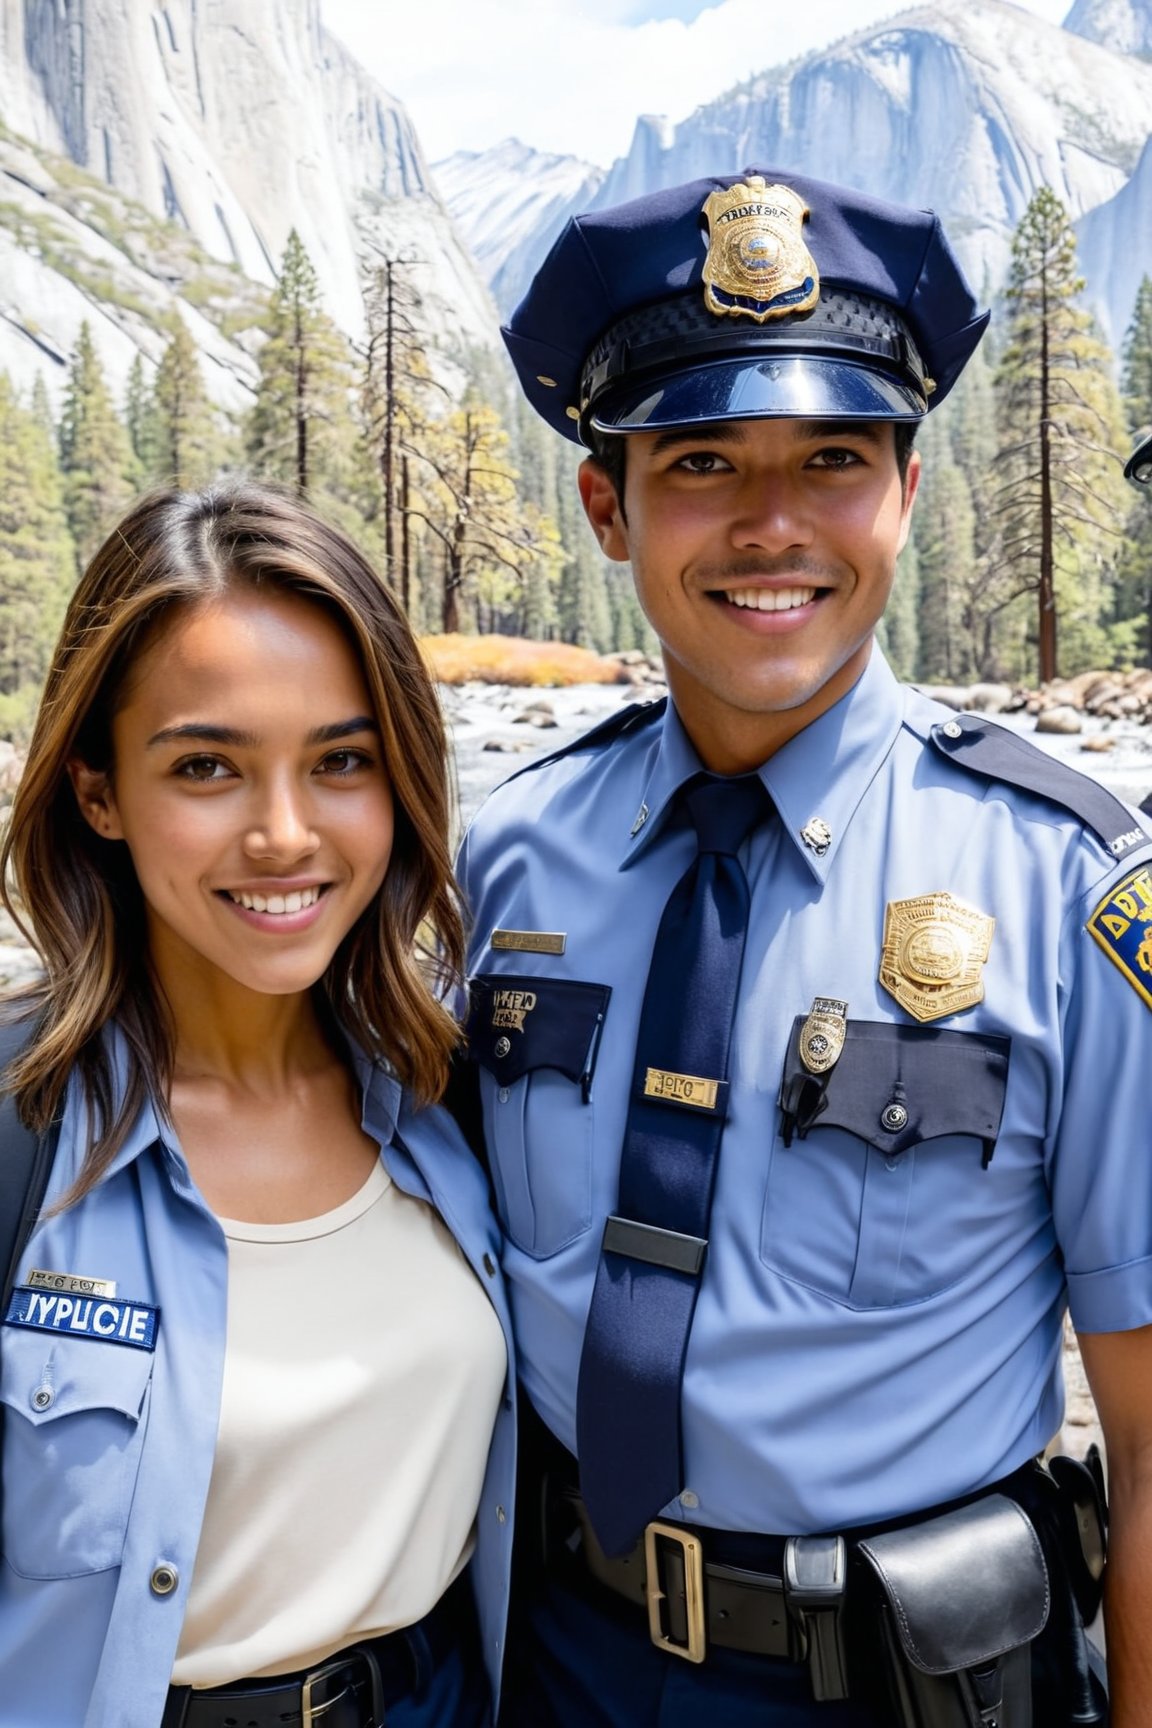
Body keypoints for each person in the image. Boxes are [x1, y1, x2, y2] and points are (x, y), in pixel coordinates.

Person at [456, 169, 1152, 1726]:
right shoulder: (509, 857)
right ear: (606, 505)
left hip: (917, 1686)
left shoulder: (1072, 886)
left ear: (904, 490)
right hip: (557, 1662)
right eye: (700, 460)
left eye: (834, 458)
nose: (772, 526)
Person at [0, 483, 514, 1728]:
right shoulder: (18, 1134)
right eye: (207, 766)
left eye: (341, 760)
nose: (284, 835)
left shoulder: (456, 1097)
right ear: (98, 792)